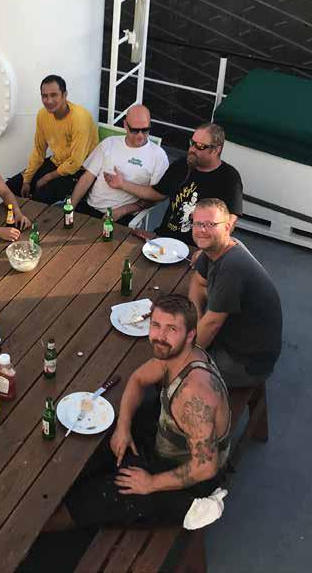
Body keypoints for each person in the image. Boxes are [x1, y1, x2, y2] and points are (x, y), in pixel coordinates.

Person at [43, 295, 231, 531]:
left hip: (187, 477)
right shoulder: (176, 354)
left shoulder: (194, 395)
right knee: (95, 449)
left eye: (171, 329)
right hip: (165, 441)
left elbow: (205, 467)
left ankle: (36, 531)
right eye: (156, 325)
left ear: (190, 334)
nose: (160, 336)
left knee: (90, 501)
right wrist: (123, 428)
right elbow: (138, 379)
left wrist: (151, 483)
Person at [188, 198, 282, 387]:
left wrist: (185, 358)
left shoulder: (232, 267)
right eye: (198, 223)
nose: (202, 230)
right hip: (229, 336)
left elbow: (212, 325)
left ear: (227, 227)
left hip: (245, 362)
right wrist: (196, 319)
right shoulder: (213, 248)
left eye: (211, 224)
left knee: (175, 372)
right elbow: (197, 283)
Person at [103, 122, 243, 246]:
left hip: (197, 246)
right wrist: (122, 184)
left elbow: (230, 222)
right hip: (164, 239)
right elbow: (156, 193)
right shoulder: (181, 166)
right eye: (192, 142)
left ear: (216, 150)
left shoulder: (229, 178)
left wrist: (208, 250)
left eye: (200, 146)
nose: (192, 149)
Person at [6, 74, 99, 204]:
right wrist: (27, 180)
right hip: (57, 162)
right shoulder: (42, 115)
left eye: (54, 95)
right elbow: (38, 150)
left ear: (64, 95)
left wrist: (47, 177)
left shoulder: (80, 118)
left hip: (80, 170)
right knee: (11, 186)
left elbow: (75, 162)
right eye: (45, 96)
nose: (49, 101)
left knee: (39, 199)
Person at [68, 105, 168, 225]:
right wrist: (71, 207)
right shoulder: (109, 143)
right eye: (134, 130)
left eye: (145, 130)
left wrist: (124, 210)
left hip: (121, 216)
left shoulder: (158, 156)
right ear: (125, 125)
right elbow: (87, 177)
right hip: (89, 207)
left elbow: (157, 196)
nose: (140, 135)